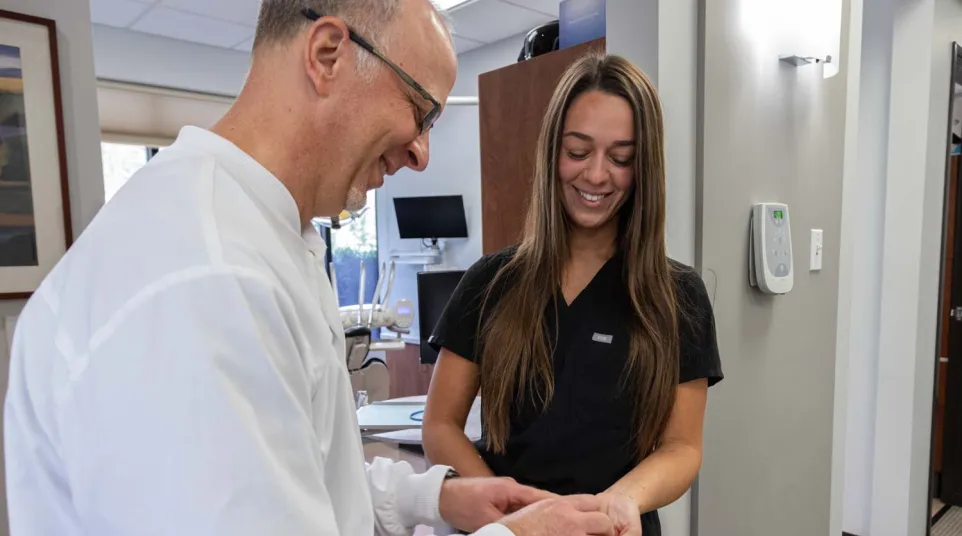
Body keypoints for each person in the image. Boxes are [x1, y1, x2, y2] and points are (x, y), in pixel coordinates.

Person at [3, 1, 636, 535]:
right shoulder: (205, 281)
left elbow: (301, 465)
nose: (420, 152)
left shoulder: (273, 238)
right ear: (329, 53)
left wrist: (430, 498)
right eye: (421, 111)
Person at [422, 53, 724, 536]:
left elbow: (682, 446)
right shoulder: (491, 283)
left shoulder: (678, 297)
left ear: (643, 166)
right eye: (578, 152)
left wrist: (618, 503)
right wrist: (511, 515)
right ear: (551, 152)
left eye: (621, 158)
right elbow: (440, 424)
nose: (597, 175)